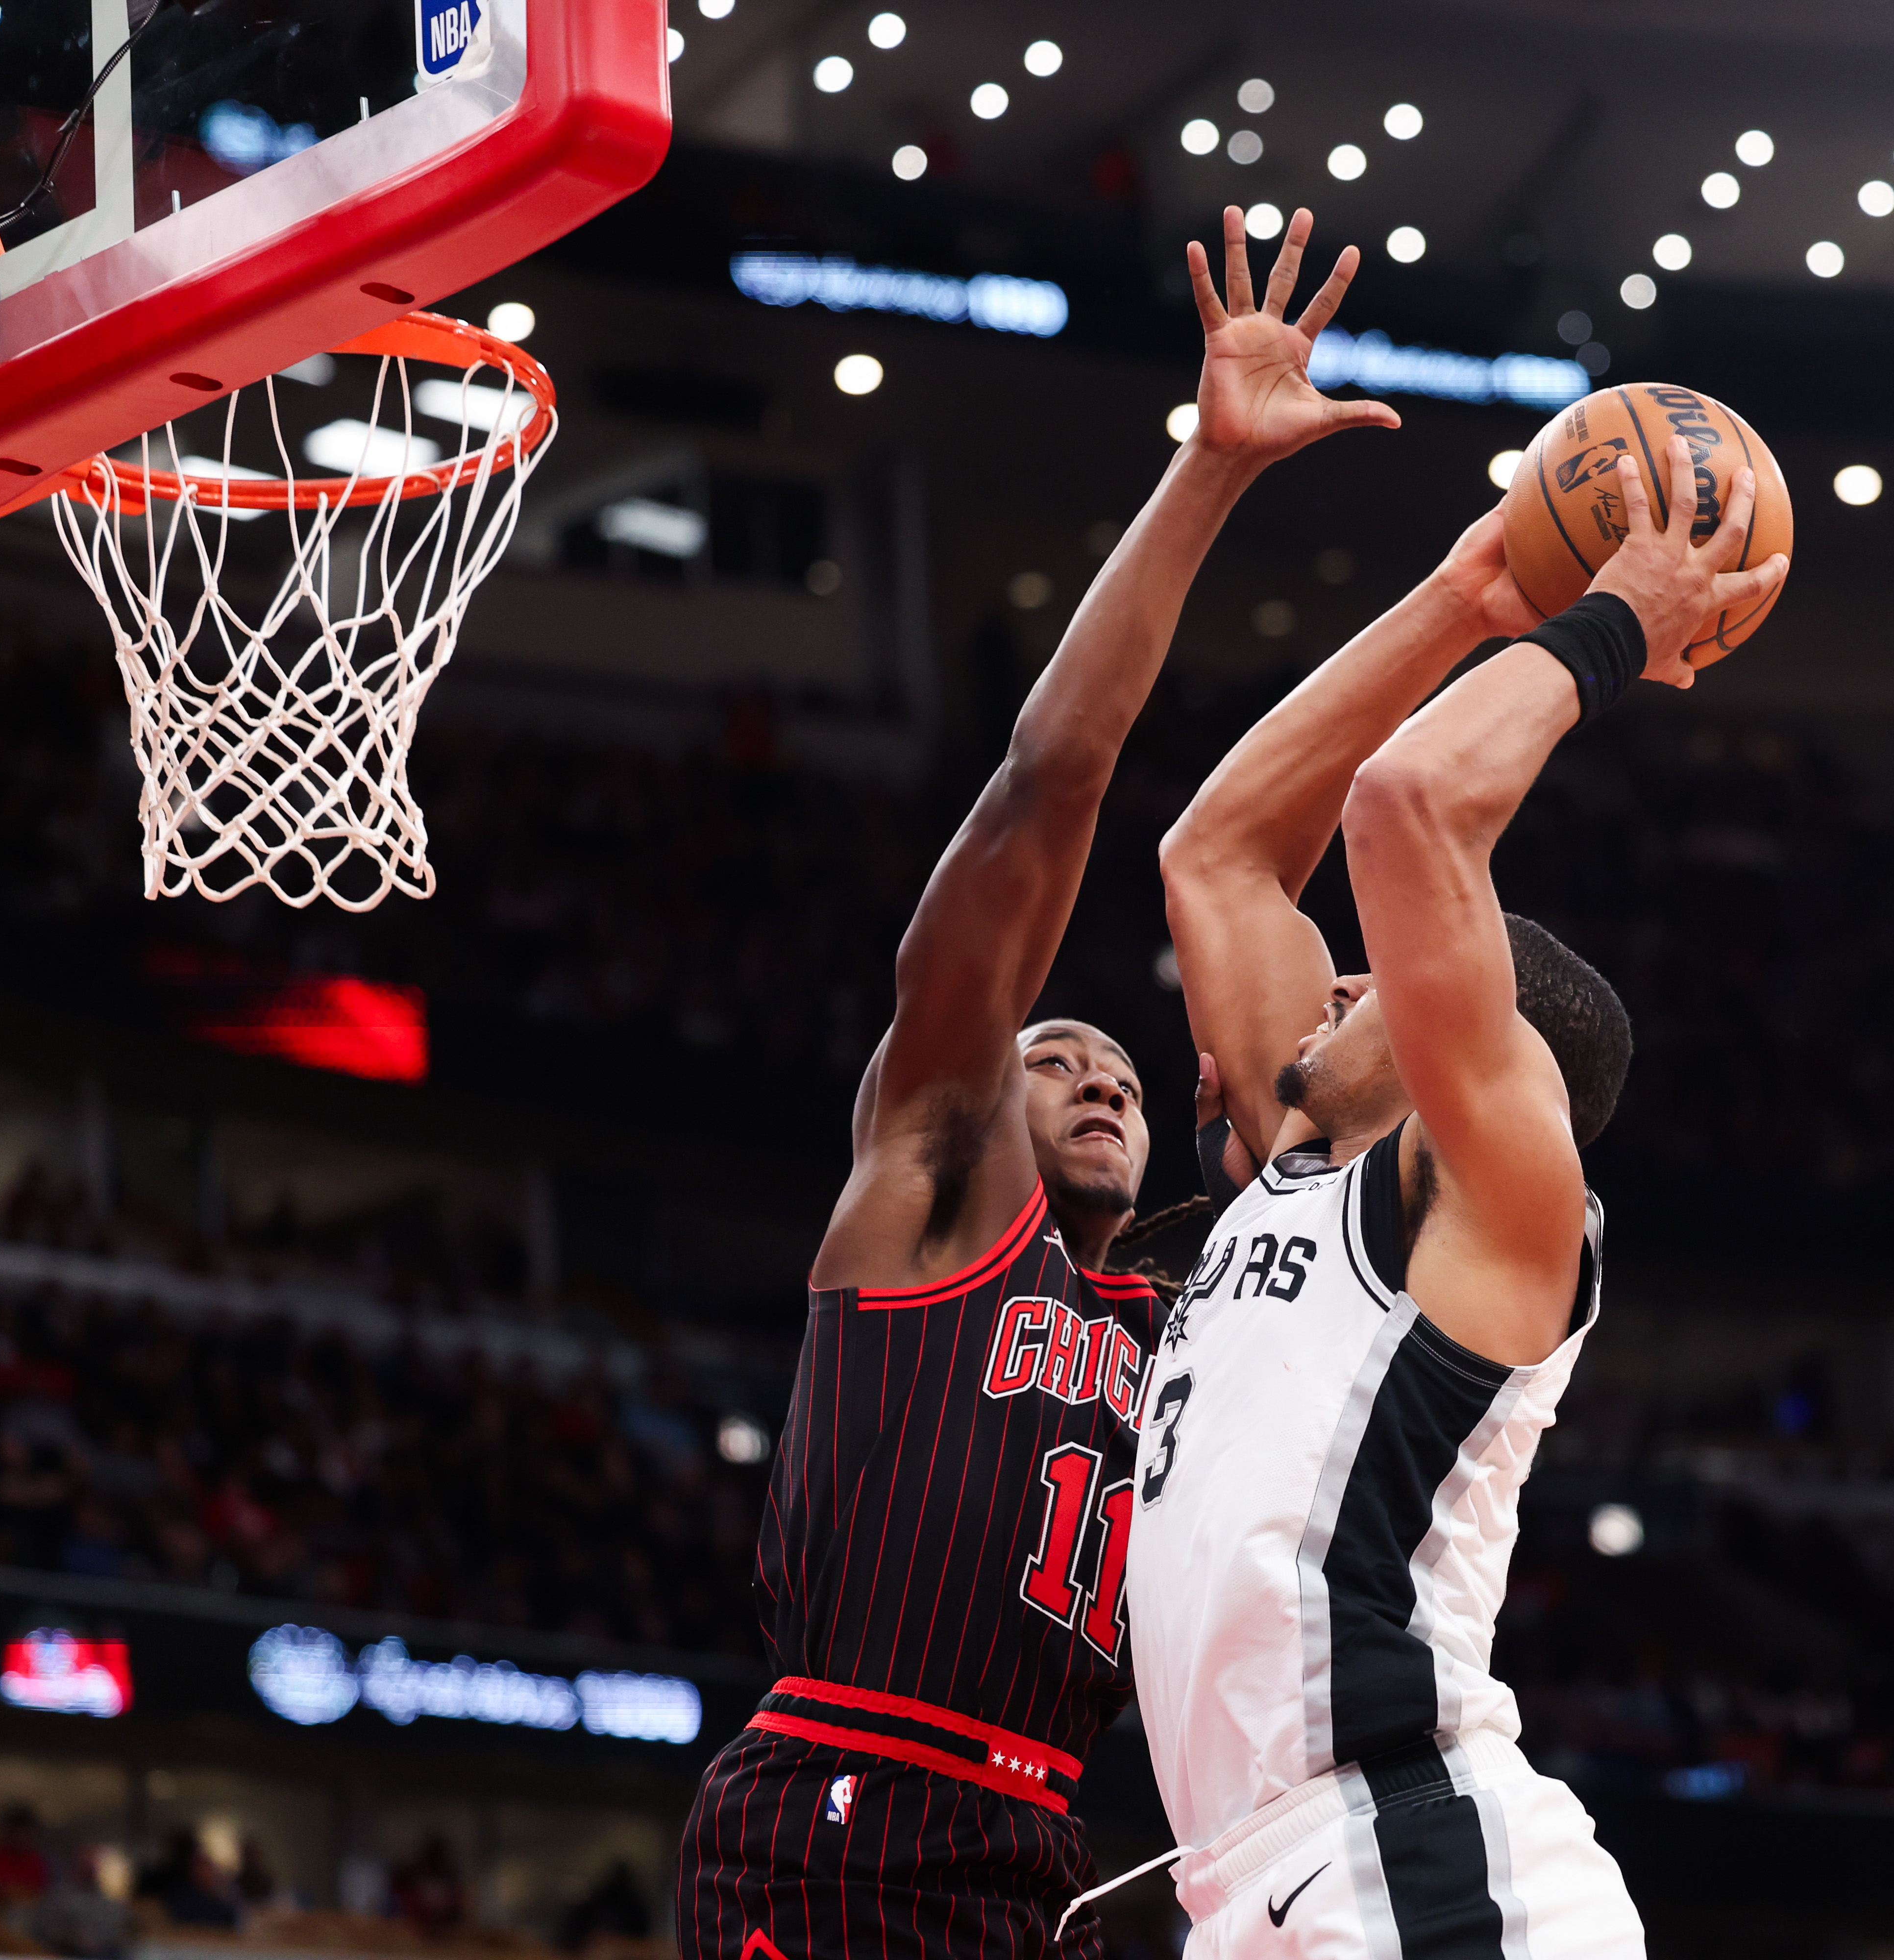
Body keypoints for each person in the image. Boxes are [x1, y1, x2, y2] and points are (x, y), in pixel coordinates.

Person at [675, 204, 1399, 1960]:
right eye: (1046, 1051)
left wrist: (1488, 599)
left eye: (1117, 1062)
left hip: (1052, 1845)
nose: (1088, 1069)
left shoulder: (1186, 1308)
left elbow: (1256, 908)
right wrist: (1214, 473)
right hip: (847, 1799)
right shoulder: (930, 1201)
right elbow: (1051, 787)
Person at [1131, 439, 1782, 1955]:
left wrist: (1613, 618)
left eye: (1375, 976)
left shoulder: (1488, 1204)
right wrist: (1464, 594)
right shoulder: (1296, 1170)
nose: (1339, 976)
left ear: (1467, 1046)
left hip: (1410, 1853)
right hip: (1272, 1875)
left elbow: (1408, 804)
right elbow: (1218, 860)